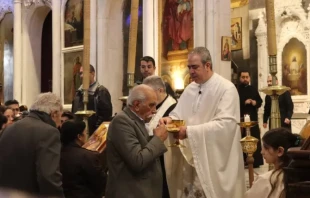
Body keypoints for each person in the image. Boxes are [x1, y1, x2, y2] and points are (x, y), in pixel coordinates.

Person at [160, 47, 245, 198]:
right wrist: (170, 119)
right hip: (191, 156)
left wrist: (189, 132)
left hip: (212, 160)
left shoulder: (226, 89)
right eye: (189, 67)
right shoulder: (190, 89)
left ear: (208, 65)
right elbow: (178, 113)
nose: (191, 72)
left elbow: (226, 125)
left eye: (195, 67)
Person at [105, 84, 168, 198]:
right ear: (137, 105)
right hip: (130, 192)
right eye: (151, 105)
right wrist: (158, 139)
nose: (155, 110)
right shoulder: (122, 122)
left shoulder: (137, 120)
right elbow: (138, 161)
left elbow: (142, 147)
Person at [0, 92, 64, 197]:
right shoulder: (49, 132)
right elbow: (48, 176)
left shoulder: (9, 129)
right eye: (60, 118)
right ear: (54, 113)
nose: (60, 124)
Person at [143, 76, 177, 198]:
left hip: (165, 159)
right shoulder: (155, 105)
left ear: (161, 90)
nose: (146, 97)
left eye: (149, 92)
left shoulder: (173, 108)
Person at [245, 127, 303, 198]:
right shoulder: (301, 175)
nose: (262, 152)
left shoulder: (266, 180)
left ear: (280, 151)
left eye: (266, 148)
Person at [60, 120, 107, 198]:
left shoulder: (56, 154)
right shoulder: (87, 156)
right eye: (85, 133)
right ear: (79, 137)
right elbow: (100, 182)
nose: (86, 135)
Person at [72, 64, 113, 136]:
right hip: (79, 135)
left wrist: (95, 132)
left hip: (94, 134)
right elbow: (75, 112)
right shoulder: (78, 92)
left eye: (84, 73)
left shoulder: (101, 91)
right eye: (80, 73)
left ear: (93, 74)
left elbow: (105, 116)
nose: (81, 76)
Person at [237, 70, 264, 168]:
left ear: (249, 78)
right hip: (241, 118)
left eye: (246, 77)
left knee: (254, 138)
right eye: (243, 77)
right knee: (243, 139)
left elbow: (259, 101)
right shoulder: (237, 90)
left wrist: (253, 102)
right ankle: (244, 161)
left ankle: (256, 161)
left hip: (253, 118)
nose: (245, 79)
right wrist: (244, 102)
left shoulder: (253, 89)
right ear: (240, 78)